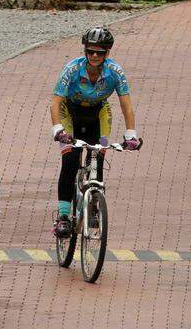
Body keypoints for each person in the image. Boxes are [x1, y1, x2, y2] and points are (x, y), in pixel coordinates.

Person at [50, 26, 142, 238]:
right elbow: (55, 102)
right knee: (71, 160)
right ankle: (63, 217)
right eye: (90, 51)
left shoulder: (115, 72)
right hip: (69, 112)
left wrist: (130, 135)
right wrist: (58, 129)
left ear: (107, 53)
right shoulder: (72, 69)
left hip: (98, 113)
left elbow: (126, 104)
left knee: (97, 157)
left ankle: (94, 207)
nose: (94, 56)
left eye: (99, 52)